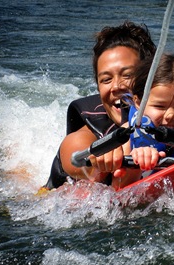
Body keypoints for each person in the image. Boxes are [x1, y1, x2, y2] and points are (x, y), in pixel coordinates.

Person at [40, 21, 156, 192]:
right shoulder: (85, 134)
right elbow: (76, 159)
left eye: (127, 75)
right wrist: (102, 161)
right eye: (106, 80)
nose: (116, 86)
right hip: (46, 200)